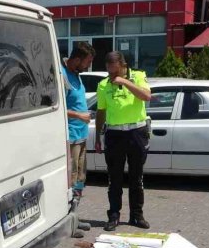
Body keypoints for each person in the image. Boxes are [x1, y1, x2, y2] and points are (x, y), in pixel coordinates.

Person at [94, 52, 152, 231]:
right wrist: (97, 136)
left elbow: (146, 96)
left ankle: (136, 215)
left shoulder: (138, 76)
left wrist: (125, 82)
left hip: (136, 132)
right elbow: (101, 111)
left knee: (136, 177)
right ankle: (114, 215)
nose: (111, 74)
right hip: (114, 134)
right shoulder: (103, 85)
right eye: (108, 71)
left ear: (123, 65)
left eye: (114, 70)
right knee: (114, 179)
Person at [63, 42, 95, 207]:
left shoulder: (76, 74)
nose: (88, 66)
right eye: (87, 62)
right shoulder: (62, 75)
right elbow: (57, 108)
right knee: (72, 177)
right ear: (77, 60)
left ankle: (75, 211)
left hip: (81, 135)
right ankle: (68, 212)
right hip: (71, 136)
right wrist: (78, 115)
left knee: (81, 177)